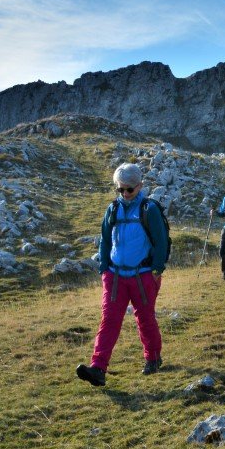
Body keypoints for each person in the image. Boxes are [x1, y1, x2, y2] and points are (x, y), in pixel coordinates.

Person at [76, 163, 168, 387]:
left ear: (140, 186)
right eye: (120, 189)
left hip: (143, 275)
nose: (125, 194)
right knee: (109, 321)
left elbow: (161, 241)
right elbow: (105, 240)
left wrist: (156, 270)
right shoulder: (113, 209)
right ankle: (98, 368)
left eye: (130, 189)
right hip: (115, 277)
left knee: (145, 319)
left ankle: (153, 358)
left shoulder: (149, 209)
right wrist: (104, 268)